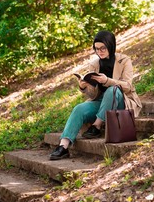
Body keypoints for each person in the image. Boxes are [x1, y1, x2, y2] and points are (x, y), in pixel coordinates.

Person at [50, 30, 142, 160]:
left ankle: (97, 125)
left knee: (111, 90)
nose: (100, 51)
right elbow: (93, 94)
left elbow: (128, 86)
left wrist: (107, 81)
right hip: (101, 102)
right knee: (79, 108)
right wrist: (83, 87)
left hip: (121, 100)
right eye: (96, 49)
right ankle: (63, 146)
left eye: (103, 48)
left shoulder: (124, 60)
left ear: (111, 46)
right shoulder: (94, 64)